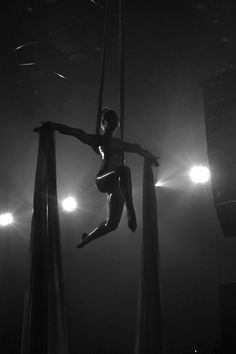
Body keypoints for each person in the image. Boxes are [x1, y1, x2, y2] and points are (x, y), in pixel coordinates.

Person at [40, 108, 158, 248]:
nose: (114, 123)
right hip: (103, 179)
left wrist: (148, 156)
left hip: (118, 186)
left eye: (116, 121)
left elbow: (137, 148)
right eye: (110, 120)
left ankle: (86, 239)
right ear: (103, 122)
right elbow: (76, 132)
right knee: (124, 170)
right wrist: (55, 126)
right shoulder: (98, 140)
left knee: (112, 225)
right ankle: (131, 212)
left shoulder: (120, 143)